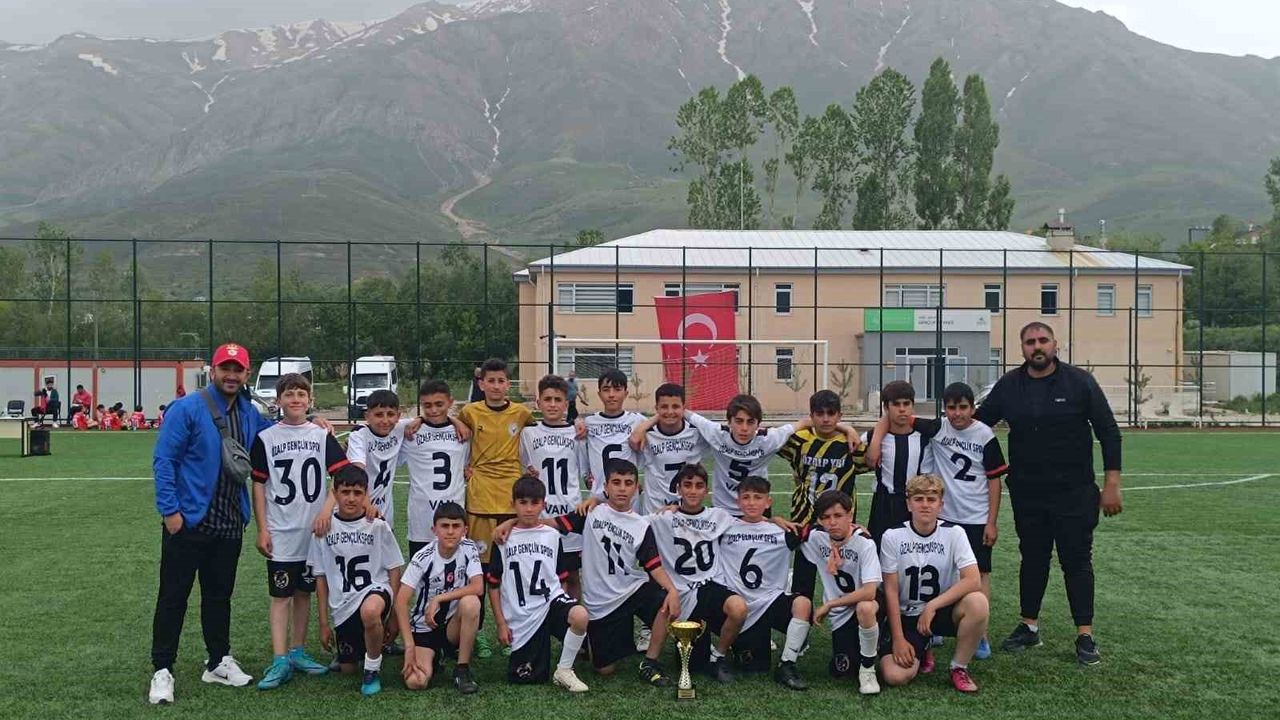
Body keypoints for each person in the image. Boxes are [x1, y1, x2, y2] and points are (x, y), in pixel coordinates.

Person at [975, 321, 1123, 665]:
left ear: (1055, 344)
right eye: (1030, 342)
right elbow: (977, 425)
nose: (1037, 346)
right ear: (1022, 348)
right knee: (1033, 558)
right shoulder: (1009, 385)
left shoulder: (1080, 382)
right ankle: (1029, 626)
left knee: (1077, 561)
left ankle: (1085, 634)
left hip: (1075, 492)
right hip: (1028, 493)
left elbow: (1109, 432)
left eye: (1043, 340)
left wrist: (1112, 484)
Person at [149, 342, 274, 705]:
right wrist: (170, 512)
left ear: (247, 373)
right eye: (225, 368)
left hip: (229, 522)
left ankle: (218, 660)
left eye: (238, 369)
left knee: (219, 598)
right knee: (173, 597)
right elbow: (164, 460)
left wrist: (315, 424)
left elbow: (278, 432)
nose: (231, 375)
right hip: (188, 522)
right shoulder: (187, 408)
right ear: (213, 371)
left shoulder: (249, 412)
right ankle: (162, 668)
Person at [872, 381, 1008, 659]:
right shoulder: (937, 427)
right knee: (942, 571)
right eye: (951, 408)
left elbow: (995, 480)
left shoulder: (984, 434)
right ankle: (933, 624)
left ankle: (981, 633)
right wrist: (872, 437)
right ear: (944, 409)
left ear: (973, 408)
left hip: (976, 516)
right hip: (944, 514)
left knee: (980, 573)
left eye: (963, 407)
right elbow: (894, 416)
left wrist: (991, 521)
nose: (958, 413)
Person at [249, 373, 349, 690]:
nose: (295, 399)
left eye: (301, 394)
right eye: (289, 394)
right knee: (281, 596)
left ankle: (297, 651)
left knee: (304, 592)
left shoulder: (321, 435)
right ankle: (280, 659)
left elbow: (342, 477)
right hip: (281, 530)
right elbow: (259, 485)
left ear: (310, 400)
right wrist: (262, 528)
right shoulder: (266, 438)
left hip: (313, 532)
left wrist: (326, 510)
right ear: (278, 400)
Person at [542, 458, 681, 686]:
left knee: (665, 601)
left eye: (628, 483)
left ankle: (650, 662)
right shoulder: (591, 512)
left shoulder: (641, 525)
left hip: (630, 589)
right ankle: (589, 641)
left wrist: (673, 591)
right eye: (616, 482)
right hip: (601, 604)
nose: (622, 488)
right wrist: (513, 523)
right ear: (605, 487)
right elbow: (553, 523)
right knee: (604, 669)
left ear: (636, 488)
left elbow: (653, 566)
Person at [879, 474, 989, 693]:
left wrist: (933, 605)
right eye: (918, 499)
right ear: (908, 504)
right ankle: (922, 647)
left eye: (931, 499)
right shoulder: (893, 536)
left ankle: (958, 667)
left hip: (942, 610)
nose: (925, 505)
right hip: (908, 614)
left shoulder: (954, 533)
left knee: (978, 602)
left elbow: (973, 579)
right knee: (894, 675)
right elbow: (890, 590)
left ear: (941, 504)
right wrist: (898, 638)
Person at [456, 357, 535, 658]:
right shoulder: (470, 412)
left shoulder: (522, 413)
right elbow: (451, 426)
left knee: (511, 572)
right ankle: (476, 633)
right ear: (481, 384)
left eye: (501, 381)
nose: (497, 386)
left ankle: (513, 630)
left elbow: (543, 434)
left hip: (512, 502)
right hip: (480, 500)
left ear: (508, 384)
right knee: (479, 570)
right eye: (491, 381)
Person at [486, 476, 590, 692]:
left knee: (580, 616)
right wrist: (501, 623)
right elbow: (493, 585)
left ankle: (564, 669)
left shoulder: (552, 535)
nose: (529, 509)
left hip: (550, 603)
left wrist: (561, 611)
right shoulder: (503, 539)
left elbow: (561, 578)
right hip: (522, 615)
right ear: (513, 504)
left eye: (534, 503)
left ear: (544, 504)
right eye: (523, 502)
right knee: (526, 678)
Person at [645, 462, 746, 683]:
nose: (693, 490)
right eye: (687, 485)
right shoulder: (663, 518)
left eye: (699, 486)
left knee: (738, 608)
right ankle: (650, 661)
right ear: (678, 489)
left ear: (706, 490)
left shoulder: (718, 516)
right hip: (681, 591)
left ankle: (718, 656)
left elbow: (749, 524)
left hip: (710, 586)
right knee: (693, 664)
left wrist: (774, 520)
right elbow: (631, 524)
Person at [308, 465, 404, 697]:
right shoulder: (323, 529)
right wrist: (323, 623)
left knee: (370, 612)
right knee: (348, 669)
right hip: (343, 604)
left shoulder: (377, 525)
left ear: (366, 494)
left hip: (375, 590)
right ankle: (369, 647)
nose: (351, 498)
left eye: (358, 493)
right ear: (335, 494)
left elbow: (394, 568)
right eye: (345, 492)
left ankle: (372, 670)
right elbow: (320, 578)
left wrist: (394, 612)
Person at [716, 475, 812, 689]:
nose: (751, 502)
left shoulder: (783, 532)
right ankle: (726, 650)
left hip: (770, 602)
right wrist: (672, 509)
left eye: (758, 497)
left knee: (803, 604)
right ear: (738, 501)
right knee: (753, 667)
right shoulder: (724, 528)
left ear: (768, 502)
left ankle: (787, 664)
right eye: (746, 497)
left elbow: (817, 530)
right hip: (739, 607)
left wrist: (854, 528)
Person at [780, 389, 867, 599]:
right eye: (819, 414)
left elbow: (870, 461)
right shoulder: (799, 440)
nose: (826, 419)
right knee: (803, 581)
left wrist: (847, 430)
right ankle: (801, 615)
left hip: (840, 522)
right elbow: (769, 440)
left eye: (831, 413)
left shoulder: (850, 443)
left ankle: (846, 615)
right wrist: (845, 427)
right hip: (805, 520)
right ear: (811, 416)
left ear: (839, 415)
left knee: (845, 578)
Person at [394, 501, 484, 694]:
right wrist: (409, 645)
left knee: (471, 603)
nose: (450, 532)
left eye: (456, 526)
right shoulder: (423, 557)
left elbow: (478, 587)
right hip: (425, 627)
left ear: (465, 530)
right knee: (416, 682)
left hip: (452, 627)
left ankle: (462, 669)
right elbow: (400, 601)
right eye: (444, 526)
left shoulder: (469, 548)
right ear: (434, 530)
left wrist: (439, 599)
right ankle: (435, 655)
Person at [803, 490, 881, 695]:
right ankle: (869, 647)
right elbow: (787, 531)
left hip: (864, 606)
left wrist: (829, 604)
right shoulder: (816, 537)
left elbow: (869, 592)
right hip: (841, 615)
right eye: (826, 517)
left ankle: (868, 669)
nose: (832, 522)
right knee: (842, 670)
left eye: (838, 515)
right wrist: (774, 520)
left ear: (850, 514)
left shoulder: (864, 542)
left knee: (865, 607)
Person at [519, 374, 590, 597]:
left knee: (572, 574)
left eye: (557, 400)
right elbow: (523, 467)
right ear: (538, 402)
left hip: (569, 512)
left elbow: (586, 472)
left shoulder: (577, 433)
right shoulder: (528, 433)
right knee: (541, 569)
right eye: (547, 399)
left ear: (566, 404)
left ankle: (573, 617)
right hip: (539, 512)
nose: (552, 405)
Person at [400, 380, 471, 557]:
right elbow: (379, 426)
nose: (433, 410)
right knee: (421, 568)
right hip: (421, 519)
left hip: (454, 518)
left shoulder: (463, 433)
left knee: (455, 567)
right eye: (427, 406)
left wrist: (455, 420)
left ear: (450, 402)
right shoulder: (410, 431)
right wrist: (420, 418)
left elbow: (469, 466)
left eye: (439, 404)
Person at [864, 381, 930, 547]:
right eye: (896, 404)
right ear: (886, 407)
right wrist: (849, 430)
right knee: (878, 551)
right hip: (882, 504)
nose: (902, 409)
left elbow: (927, 476)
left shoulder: (924, 439)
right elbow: (856, 449)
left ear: (912, 406)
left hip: (911, 505)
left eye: (906, 404)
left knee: (911, 553)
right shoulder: (872, 437)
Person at [629, 383, 708, 514]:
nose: (670, 412)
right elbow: (634, 440)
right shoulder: (648, 434)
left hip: (685, 511)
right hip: (654, 510)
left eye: (675, 406)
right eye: (664, 407)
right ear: (656, 408)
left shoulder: (696, 433)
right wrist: (655, 419)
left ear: (684, 408)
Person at [341, 389, 408, 529]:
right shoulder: (360, 435)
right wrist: (368, 505)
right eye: (378, 415)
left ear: (398, 416)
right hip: (360, 511)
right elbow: (357, 474)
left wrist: (455, 422)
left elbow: (428, 418)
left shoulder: (399, 428)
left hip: (385, 515)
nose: (385, 420)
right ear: (367, 416)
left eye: (390, 414)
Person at [583, 368, 647, 504]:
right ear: (599, 394)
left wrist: (645, 427)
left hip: (628, 499)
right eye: (606, 390)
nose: (611, 395)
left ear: (626, 393)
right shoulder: (589, 423)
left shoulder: (637, 421)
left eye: (617, 389)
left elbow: (663, 422)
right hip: (598, 498)